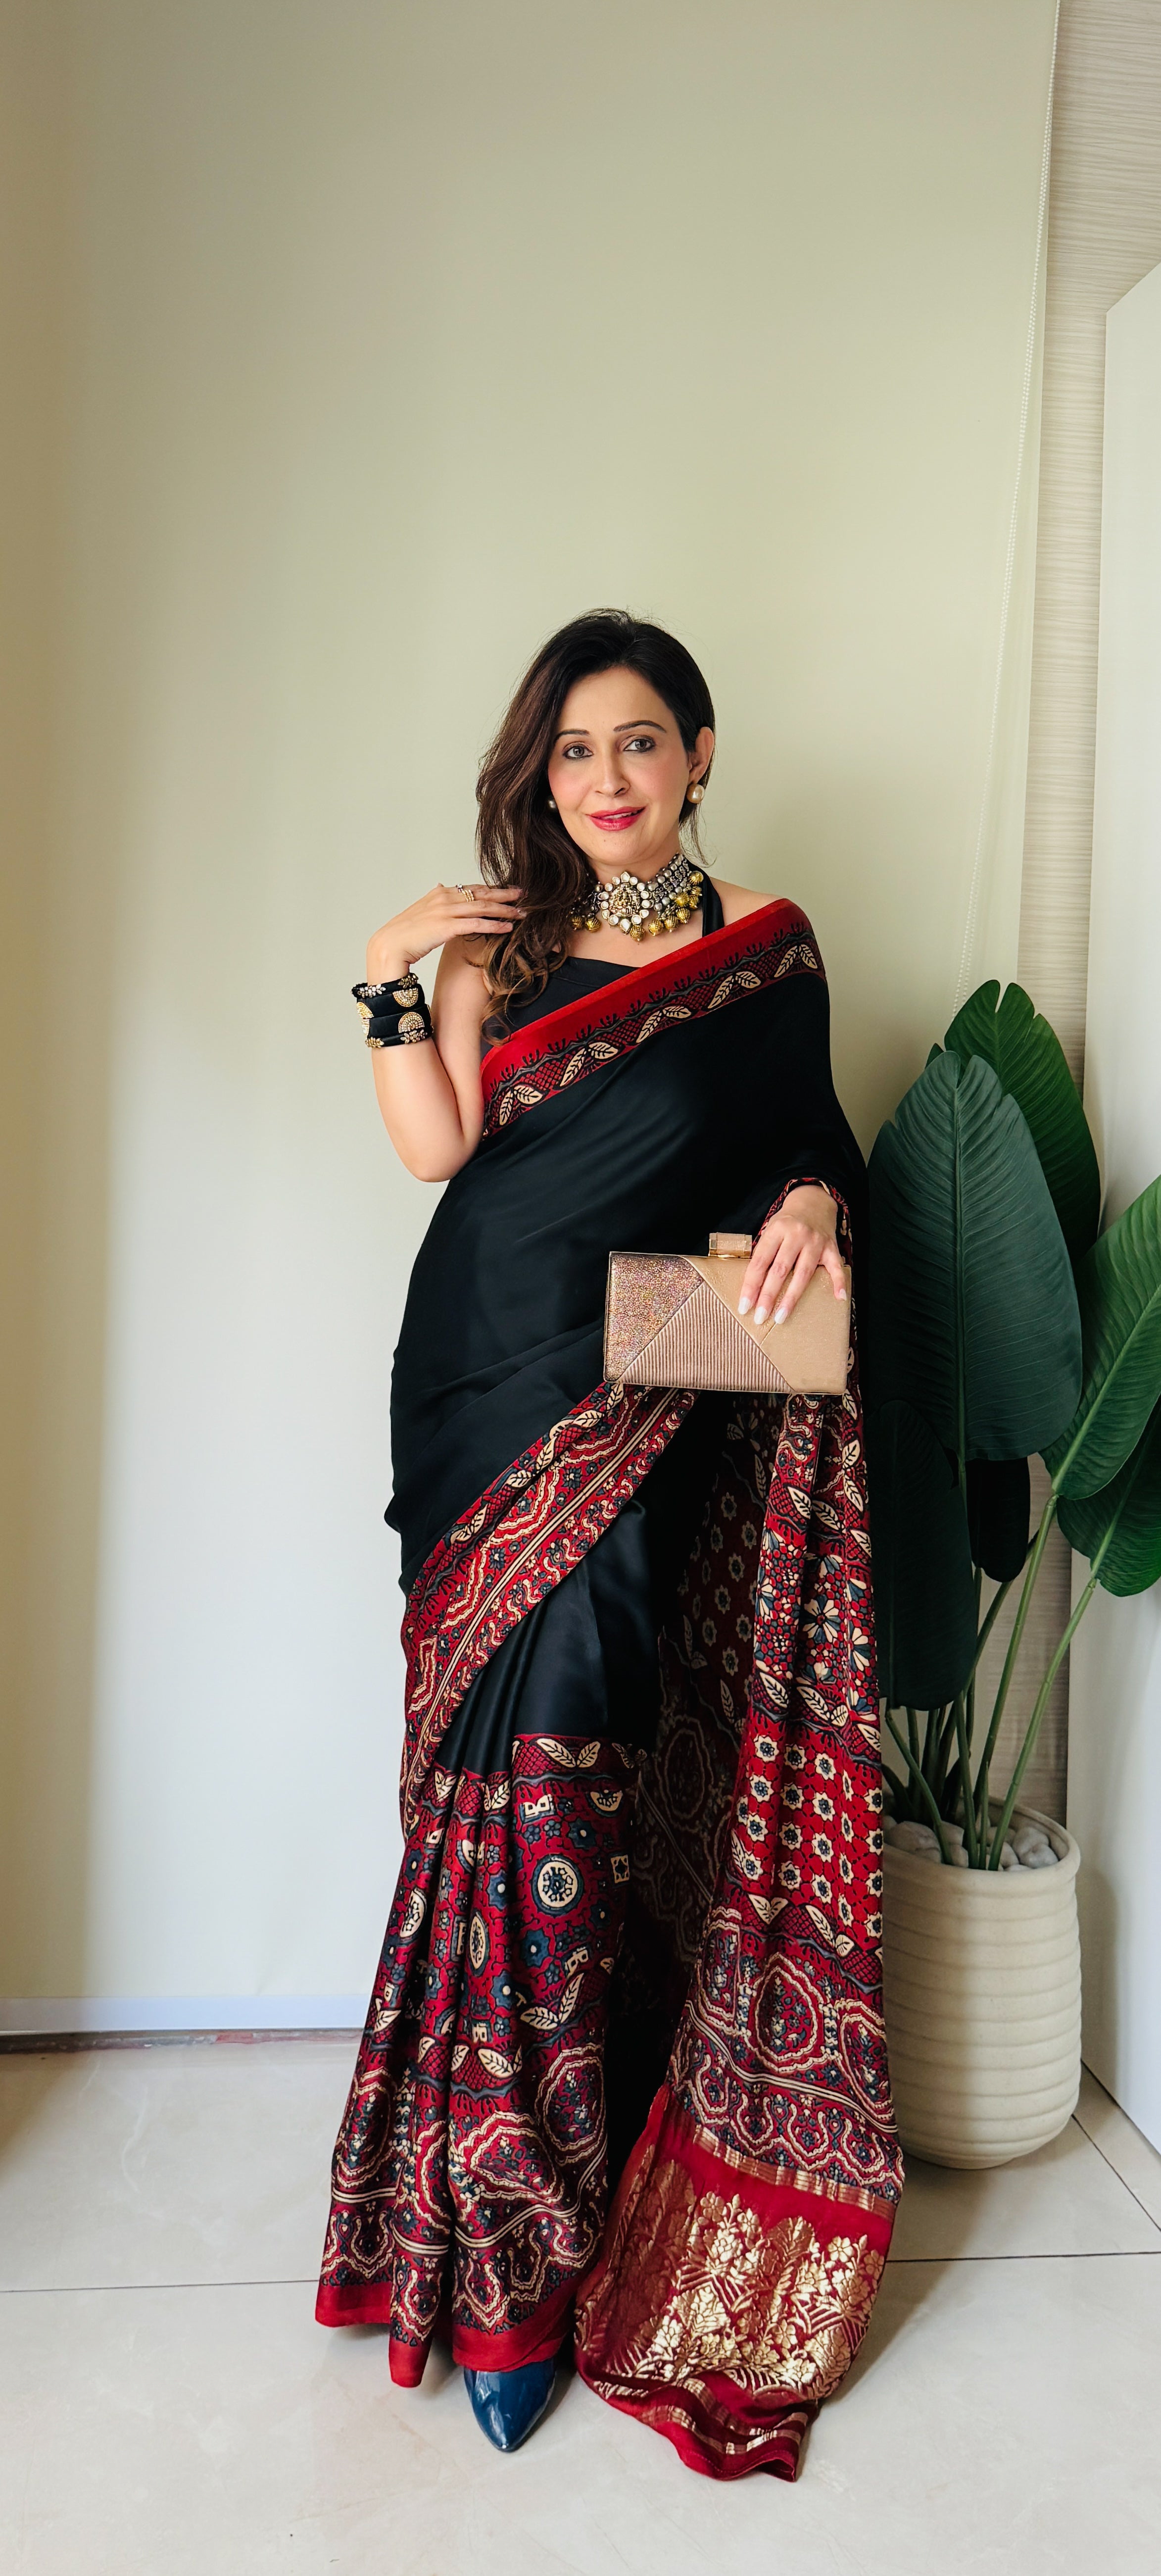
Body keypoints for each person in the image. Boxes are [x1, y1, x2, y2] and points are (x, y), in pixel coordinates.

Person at [316, 609, 901, 2480]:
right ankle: (486, 2237)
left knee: (581, 1760)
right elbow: (437, 1149)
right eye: (573, 751)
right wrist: (390, 970)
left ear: (699, 753)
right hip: (475, 1382)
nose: (605, 779)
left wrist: (808, 1198)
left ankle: (550, 2209)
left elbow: (807, 1142)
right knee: (486, 1788)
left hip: (645, 1381)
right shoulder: (498, 949)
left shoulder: (767, 952)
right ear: (544, 776)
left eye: (638, 741)